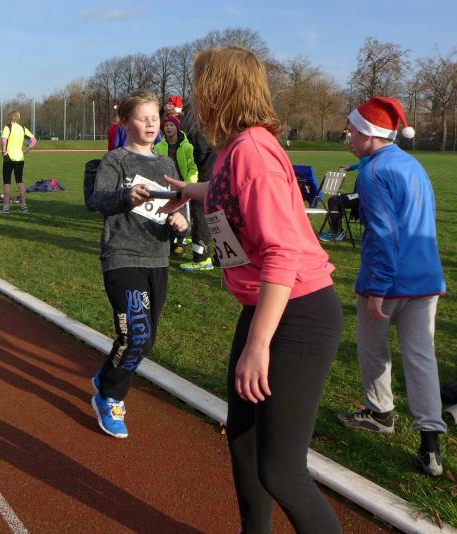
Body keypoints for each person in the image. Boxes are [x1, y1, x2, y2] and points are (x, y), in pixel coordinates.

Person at [161, 47, 343, 533]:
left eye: (200, 87)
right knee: (243, 443)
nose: (195, 98)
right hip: (267, 307)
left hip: (297, 314)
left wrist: (258, 345)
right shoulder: (235, 149)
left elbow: (283, 251)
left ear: (218, 91)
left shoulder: (253, 152)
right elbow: (228, 191)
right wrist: (189, 191)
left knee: (281, 471)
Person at [336, 96, 448, 478]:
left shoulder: (373, 175)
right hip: (427, 276)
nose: (348, 136)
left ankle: (380, 413)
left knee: (372, 348)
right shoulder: (411, 164)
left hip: (389, 280)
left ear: (369, 133)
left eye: (352, 131)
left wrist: (379, 288)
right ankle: (431, 445)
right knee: (421, 357)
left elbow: (384, 234)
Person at [88, 89, 189, 440]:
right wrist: (124, 196)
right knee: (137, 335)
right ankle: (110, 398)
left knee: (145, 340)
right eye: (142, 118)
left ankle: (107, 376)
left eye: (154, 118)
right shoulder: (115, 161)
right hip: (122, 256)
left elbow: (178, 210)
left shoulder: (166, 165)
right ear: (125, 122)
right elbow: (98, 200)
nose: (150, 124)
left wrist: (181, 225)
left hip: (157, 258)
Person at [179, 103, 216, 272]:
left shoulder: (200, 127)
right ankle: (222, 257)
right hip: (218, 176)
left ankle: (201, 258)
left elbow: (200, 151)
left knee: (200, 215)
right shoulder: (217, 125)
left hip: (206, 176)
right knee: (218, 216)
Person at [154, 114, 198, 255]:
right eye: (166, 125)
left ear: (177, 128)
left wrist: (188, 184)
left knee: (183, 215)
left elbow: (193, 167)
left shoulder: (187, 147)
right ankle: (170, 241)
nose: (168, 127)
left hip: (183, 185)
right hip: (166, 186)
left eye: (171, 125)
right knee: (168, 213)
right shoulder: (158, 147)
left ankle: (181, 242)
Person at [318, 157, 370, 242]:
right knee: (335, 199)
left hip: (364, 197)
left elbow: (364, 161)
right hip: (362, 196)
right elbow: (361, 163)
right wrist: (351, 167)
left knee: (335, 200)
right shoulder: (374, 158)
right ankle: (337, 232)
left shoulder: (372, 161)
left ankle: (337, 232)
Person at [0, 110, 36, 214]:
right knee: (20, 182)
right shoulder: (22, 128)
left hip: (9, 158)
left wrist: (4, 152)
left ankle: (6, 208)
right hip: (20, 158)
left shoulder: (8, 127)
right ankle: (23, 206)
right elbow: (34, 140)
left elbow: (4, 140)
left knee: (7, 182)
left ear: (10, 117)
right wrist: (27, 150)